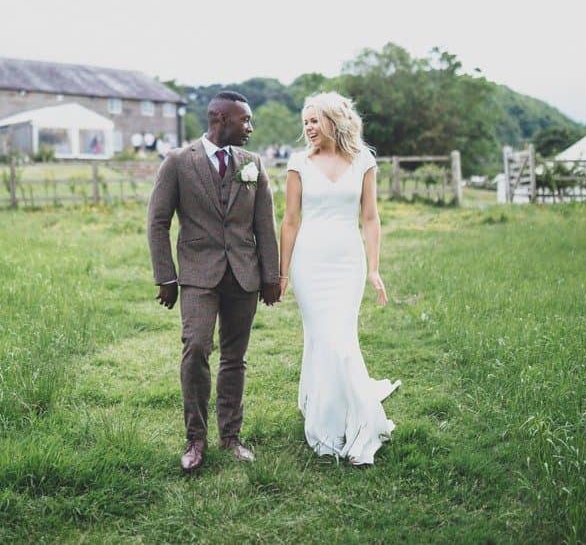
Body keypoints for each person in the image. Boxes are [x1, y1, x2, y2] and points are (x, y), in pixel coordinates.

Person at [147, 91, 282, 472]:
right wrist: (166, 277)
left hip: (244, 275)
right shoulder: (177, 162)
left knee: (235, 358)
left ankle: (231, 436)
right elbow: (158, 222)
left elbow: (263, 225)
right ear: (221, 119)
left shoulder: (253, 163)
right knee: (196, 349)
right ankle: (195, 438)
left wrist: (270, 277)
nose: (251, 128)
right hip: (197, 276)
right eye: (245, 121)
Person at [279, 91, 401, 466]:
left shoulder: (363, 160)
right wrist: (282, 273)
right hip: (309, 263)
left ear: (334, 120)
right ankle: (325, 419)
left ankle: (352, 415)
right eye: (305, 122)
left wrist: (375, 268)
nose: (308, 128)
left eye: (314, 120)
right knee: (322, 337)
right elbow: (290, 220)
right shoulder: (298, 162)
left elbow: (370, 217)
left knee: (342, 338)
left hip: (348, 263)